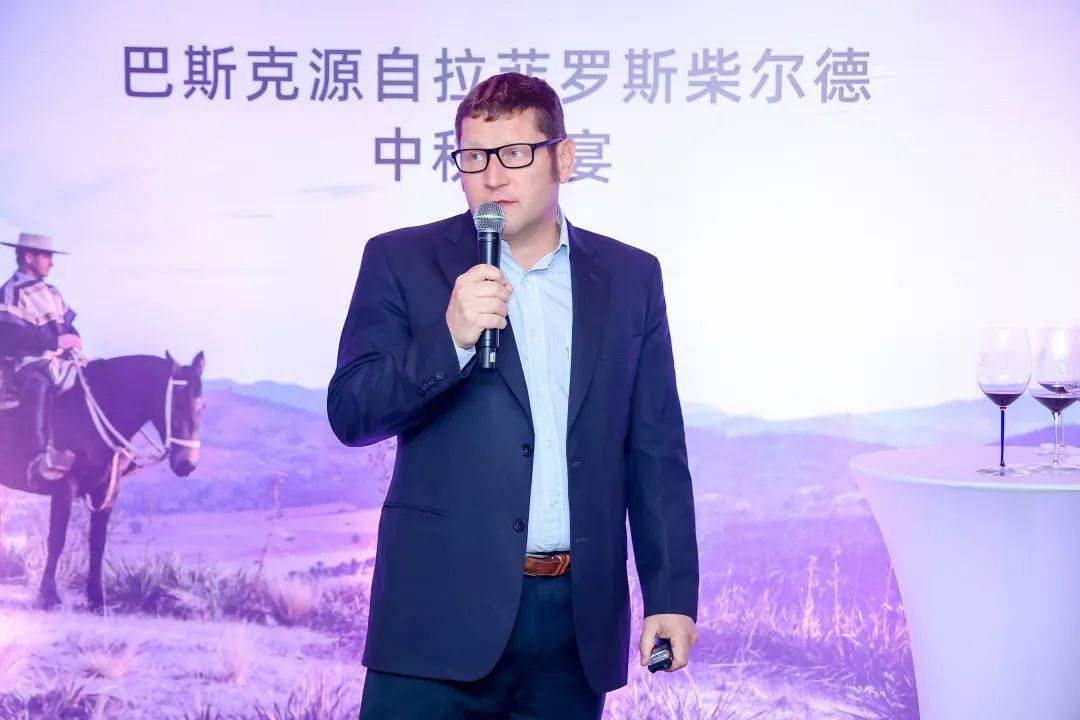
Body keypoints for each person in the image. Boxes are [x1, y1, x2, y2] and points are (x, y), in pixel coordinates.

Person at [328, 72, 699, 720]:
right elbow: (351, 411)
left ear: (564, 158)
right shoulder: (400, 260)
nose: (493, 176)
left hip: (573, 628)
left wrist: (670, 594)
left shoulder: (630, 277)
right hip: (436, 621)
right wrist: (449, 339)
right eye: (474, 158)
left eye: (515, 154)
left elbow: (655, 447)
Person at [0, 233, 81, 487]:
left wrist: (74, 339)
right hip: (25, 361)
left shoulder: (52, 292)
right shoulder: (11, 292)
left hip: (59, 359)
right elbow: (10, 335)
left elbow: (66, 326)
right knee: (39, 382)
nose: (51, 263)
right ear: (28, 257)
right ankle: (36, 458)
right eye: (46, 256)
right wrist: (55, 342)